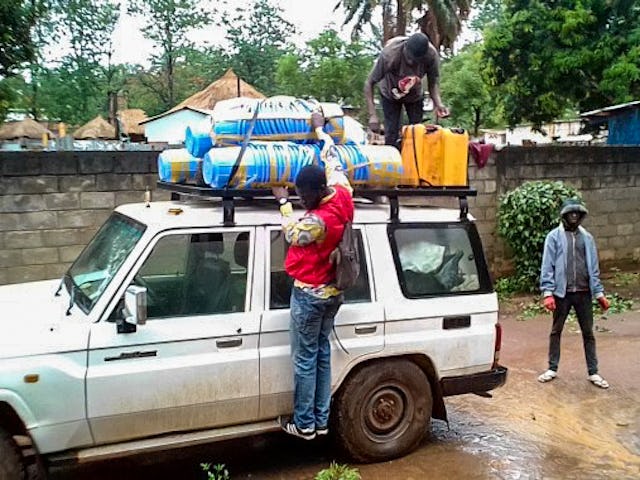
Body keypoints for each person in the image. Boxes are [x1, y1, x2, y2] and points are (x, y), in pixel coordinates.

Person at [272, 117, 354, 440]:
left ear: (318, 191)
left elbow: (293, 232)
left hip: (309, 295)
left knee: (305, 359)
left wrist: (282, 202)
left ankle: (304, 423)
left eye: (303, 195)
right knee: (321, 353)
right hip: (334, 294)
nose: (300, 199)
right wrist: (320, 129)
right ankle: (320, 421)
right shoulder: (343, 193)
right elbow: (332, 155)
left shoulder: (316, 221)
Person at [538, 198, 610, 389]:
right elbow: (548, 266)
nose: (574, 217)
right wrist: (548, 293)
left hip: (584, 293)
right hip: (562, 294)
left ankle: (593, 372)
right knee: (556, 331)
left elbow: (593, 268)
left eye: (577, 214)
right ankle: (552, 368)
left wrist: (599, 294)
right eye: (571, 214)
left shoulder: (587, 238)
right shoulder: (553, 237)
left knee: (588, 333)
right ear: (564, 216)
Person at [364, 32, 450, 148]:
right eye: (409, 57)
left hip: (414, 96)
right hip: (390, 93)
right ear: (405, 48)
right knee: (391, 135)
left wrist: (438, 103)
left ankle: (414, 163)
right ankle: (394, 163)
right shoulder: (390, 54)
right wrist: (372, 115)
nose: (411, 62)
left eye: (416, 60)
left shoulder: (431, 55)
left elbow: (433, 84)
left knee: (417, 134)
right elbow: (369, 83)